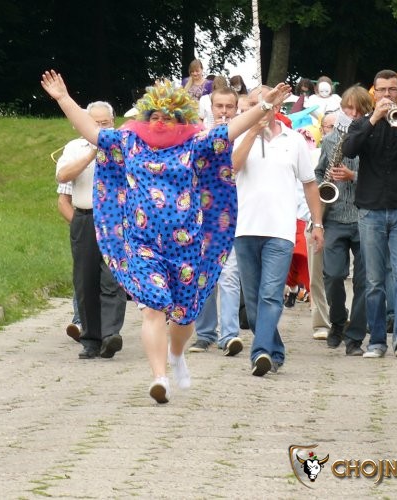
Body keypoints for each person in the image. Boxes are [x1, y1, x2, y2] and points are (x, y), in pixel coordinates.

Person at [41, 71, 291, 402]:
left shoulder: (196, 144)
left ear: (181, 120)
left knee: (185, 316)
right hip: (142, 245)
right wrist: (63, 98)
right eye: (155, 116)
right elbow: (91, 131)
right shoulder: (128, 142)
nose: (160, 122)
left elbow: (232, 129)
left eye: (168, 117)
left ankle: (176, 354)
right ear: (146, 117)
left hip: (186, 247)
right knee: (153, 307)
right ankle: (159, 377)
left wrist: (264, 105)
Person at [232, 86, 324, 376]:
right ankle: (275, 351)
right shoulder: (237, 137)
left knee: (271, 295)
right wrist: (252, 131)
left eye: (264, 102)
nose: (258, 107)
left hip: (281, 230)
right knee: (253, 301)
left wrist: (317, 223)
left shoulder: (293, 140)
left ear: (276, 107)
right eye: (253, 103)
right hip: (245, 228)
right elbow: (232, 168)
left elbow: (309, 184)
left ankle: (259, 352)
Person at [342, 69, 397, 359]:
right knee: (374, 281)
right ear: (374, 93)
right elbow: (349, 150)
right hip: (371, 211)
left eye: (393, 90)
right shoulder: (361, 124)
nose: (388, 95)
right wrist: (374, 119)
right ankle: (377, 341)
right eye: (382, 90)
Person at [56, 101, 127, 359]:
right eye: (95, 123)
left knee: (113, 278)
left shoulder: (123, 145)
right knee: (85, 280)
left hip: (116, 220)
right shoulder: (75, 147)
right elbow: (62, 176)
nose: (101, 128)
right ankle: (91, 339)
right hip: (85, 217)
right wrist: (91, 155)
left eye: (105, 123)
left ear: (113, 123)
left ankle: (110, 335)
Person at [316, 86, 373, 356]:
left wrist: (354, 176)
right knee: (333, 275)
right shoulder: (330, 140)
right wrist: (323, 186)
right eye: (348, 108)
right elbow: (318, 173)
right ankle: (338, 320)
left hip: (365, 217)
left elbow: (380, 177)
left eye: (359, 110)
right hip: (336, 217)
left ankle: (355, 338)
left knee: (364, 281)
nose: (353, 114)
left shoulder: (372, 138)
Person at [188, 87, 244, 357]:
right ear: (211, 108)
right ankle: (205, 333)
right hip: (206, 216)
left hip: (239, 214)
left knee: (229, 275)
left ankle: (229, 334)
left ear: (236, 108)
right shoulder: (200, 137)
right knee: (203, 274)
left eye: (229, 107)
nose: (224, 111)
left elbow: (236, 166)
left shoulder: (243, 135)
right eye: (219, 106)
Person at [307, 111, 335, 340]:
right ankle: (320, 322)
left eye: (336, 127)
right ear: (322, 129)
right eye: (328, 127)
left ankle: (341, 314)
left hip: (344, 217)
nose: (332, 131)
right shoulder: (312, 153)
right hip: (316, 217)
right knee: (316, 274)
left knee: (338, 274)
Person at [55, 180, 83, 342]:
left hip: (112, 226)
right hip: (84, 223)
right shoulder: (72, 164)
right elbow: (63, 201)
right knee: (83, 275)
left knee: (109, 277)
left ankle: (108, 328)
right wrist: (80, 226)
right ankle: (80, 322)